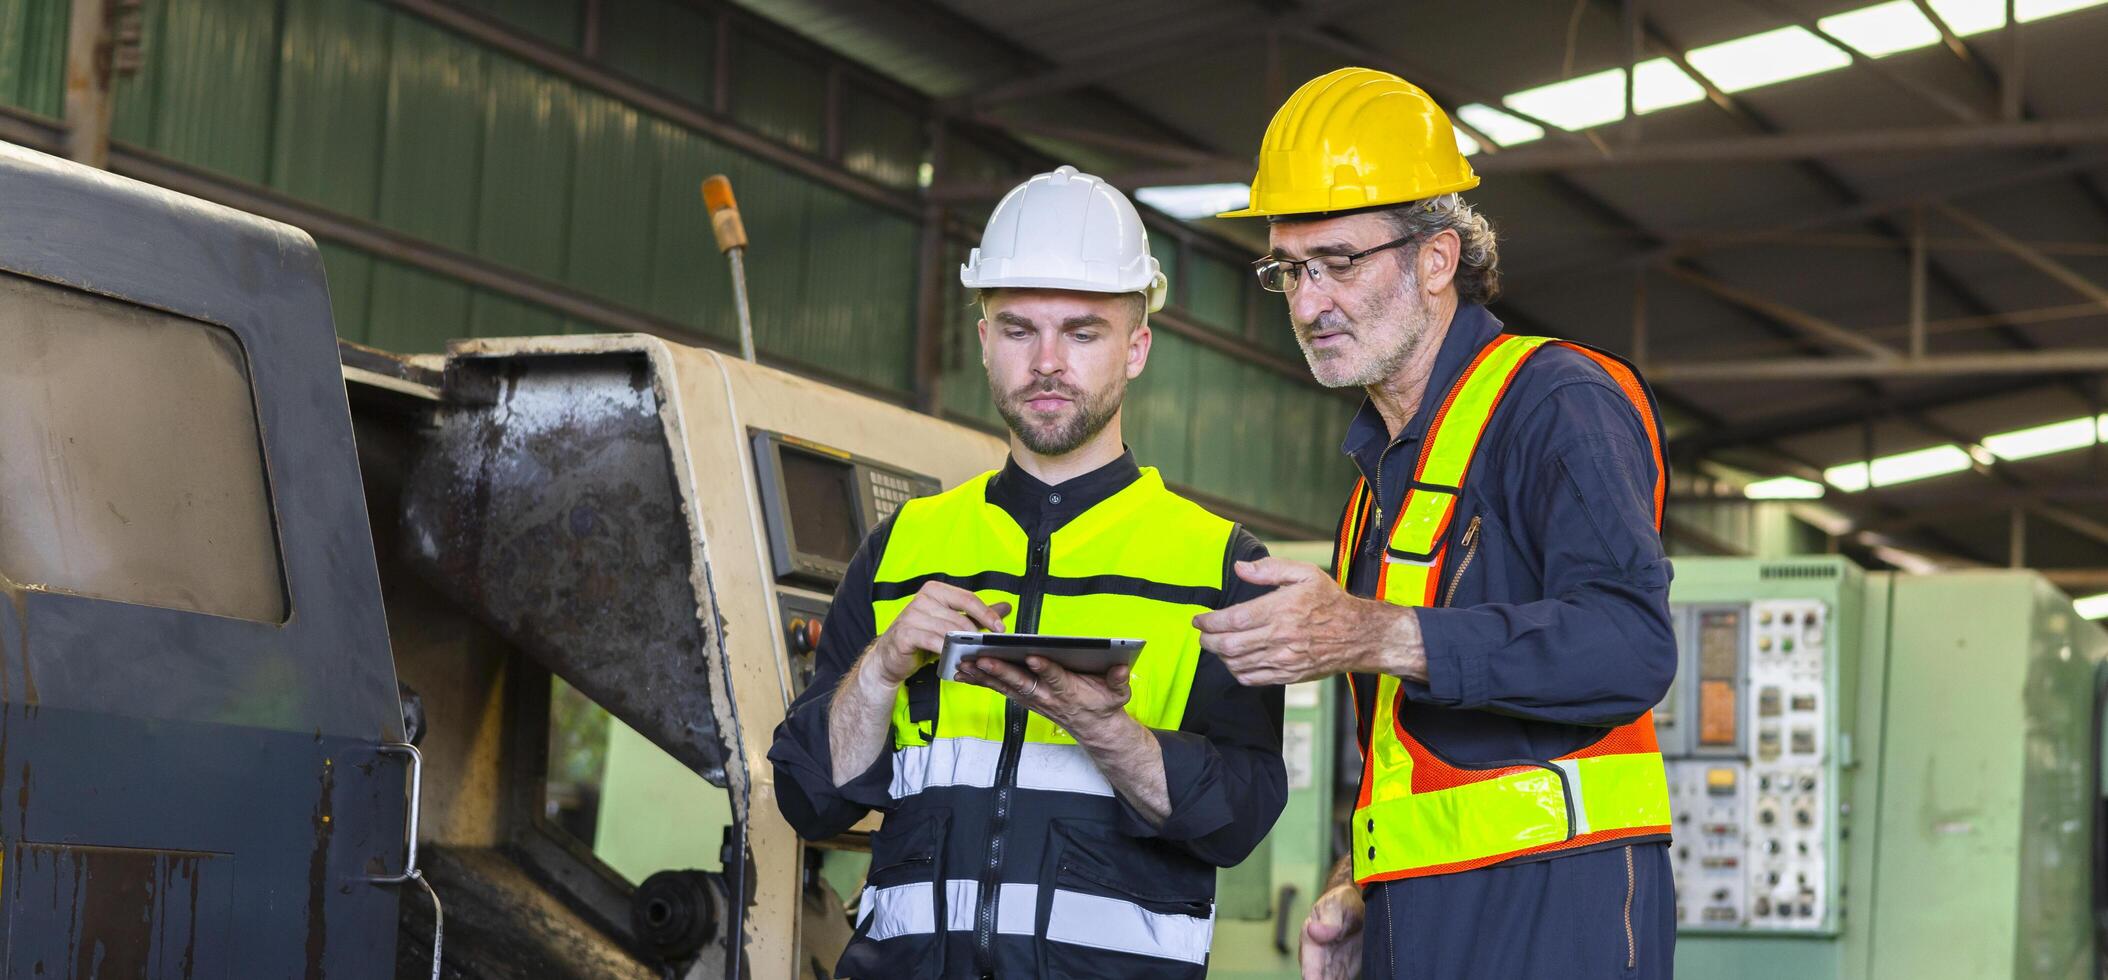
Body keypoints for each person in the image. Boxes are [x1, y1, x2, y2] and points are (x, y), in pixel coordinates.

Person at [1198, 67, 1679, 979]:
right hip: (1415, 917)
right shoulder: (1376, 487)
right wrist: (1358, 880)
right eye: (1288, 271)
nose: (1308, 304)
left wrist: (1377, 631)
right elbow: (1413, 752)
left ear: (1436, 259)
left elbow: (1630, 645)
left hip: (1557, 911)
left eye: (1338, 263)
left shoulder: (1557, 401)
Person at [768, 164, 1287, 978]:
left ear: (1137, 346)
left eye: (1082, 332)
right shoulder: (903, 545)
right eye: (1018, 330)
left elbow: (1237, 819)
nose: (1047, 362)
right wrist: (882, 668)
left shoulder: (1217, 565)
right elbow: (810, 798)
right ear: (983, 341)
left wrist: (1104, 729)